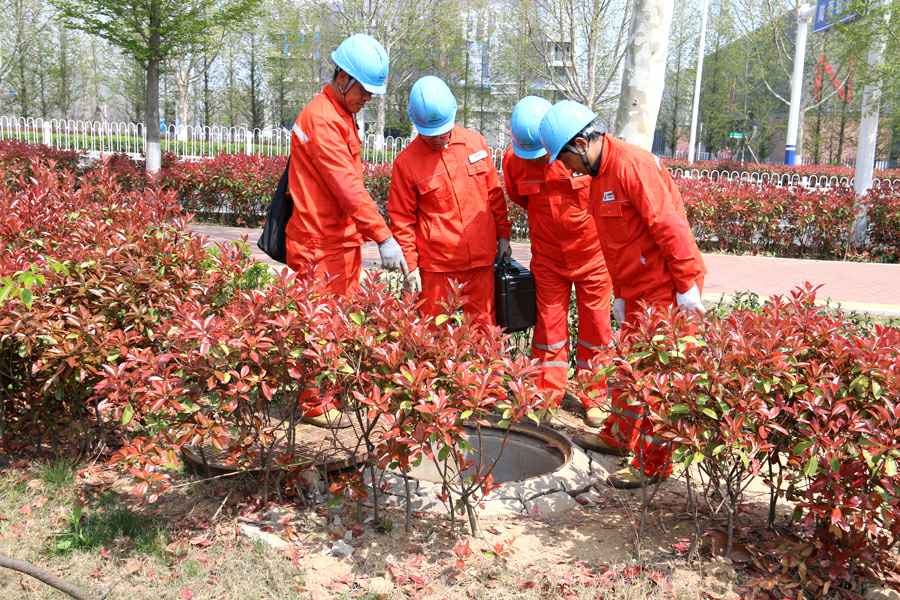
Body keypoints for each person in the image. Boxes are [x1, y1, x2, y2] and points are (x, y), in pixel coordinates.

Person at [539, 100, 707, 489]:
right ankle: (619, 435)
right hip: (635, 290)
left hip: (663, 290)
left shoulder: (632, 166)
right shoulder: (599, 175)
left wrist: (686, 287)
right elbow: (616, 243)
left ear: (582, 143)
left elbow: (670, 227)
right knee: (628, 371)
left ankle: (653, 464)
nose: (567, 168)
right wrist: (620, 292)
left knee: (655, 379)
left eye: (566, 159)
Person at [286, 33, 407, 428]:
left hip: (337, 239)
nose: (367, 98)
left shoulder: (340, 114)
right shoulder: (322, 119)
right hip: (318, 242)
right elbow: (347, 186)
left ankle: (331, 393)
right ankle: (315, 404)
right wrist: (383, 236)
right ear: (343, 78)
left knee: (338, 321)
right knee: (321, 322)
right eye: (364, 91)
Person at [502, 96, 613, 426]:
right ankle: (546, 393)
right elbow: (519, 196)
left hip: (593, 256)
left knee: (596, 327)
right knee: (549, 328)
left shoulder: (577, 152)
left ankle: (595, 396)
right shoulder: (514, 160)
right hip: (549, 258)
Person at [387, 75, 511, 327]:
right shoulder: (407, 163)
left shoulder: (475, 143)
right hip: (438, 268)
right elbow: (402, 220)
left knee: (483, 330)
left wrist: (504, 234)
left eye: (443, 132)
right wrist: (410, 267)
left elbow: (494, 194)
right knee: (436, 334)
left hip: (480, 261)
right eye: (431, 135)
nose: (439, 138)